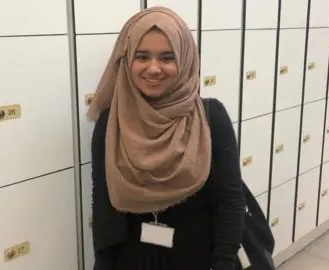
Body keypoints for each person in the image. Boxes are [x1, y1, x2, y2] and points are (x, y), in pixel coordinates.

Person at [87, 6, 246, 270]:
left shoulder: (211, 117)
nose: (153, 68)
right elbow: (102, 202)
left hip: (199, 258)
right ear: (127, 61)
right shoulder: (110, 123)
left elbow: (231, 200)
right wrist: (103, 263)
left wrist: (223, 264)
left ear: (184, 60)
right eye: (142, 56)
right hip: (131, 260)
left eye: (166, 57)